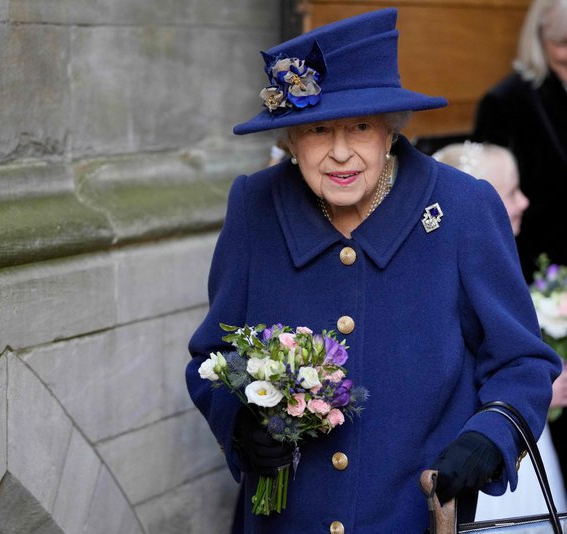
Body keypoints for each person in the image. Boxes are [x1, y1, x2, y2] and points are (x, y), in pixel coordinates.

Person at [186, 9, 562, 533]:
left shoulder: (463, 210)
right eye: (317, 130)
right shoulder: (255, 207)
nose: (341, 153)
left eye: (360, 126)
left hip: (415, 518)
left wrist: (490, 436)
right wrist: (241, 423)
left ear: (390, 130)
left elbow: (522, 362)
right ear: (291, 140)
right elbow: (213, 357)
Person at [432, 141, 567, 517]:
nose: (524, 202)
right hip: (481, 450)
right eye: (510, 193)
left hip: (521, 429)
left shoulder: (506, 258)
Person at [473, 0, 567, 493]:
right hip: (535, 278)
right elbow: (489, 212)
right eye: (561, 45)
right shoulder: (507, 103)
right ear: (539, 39)